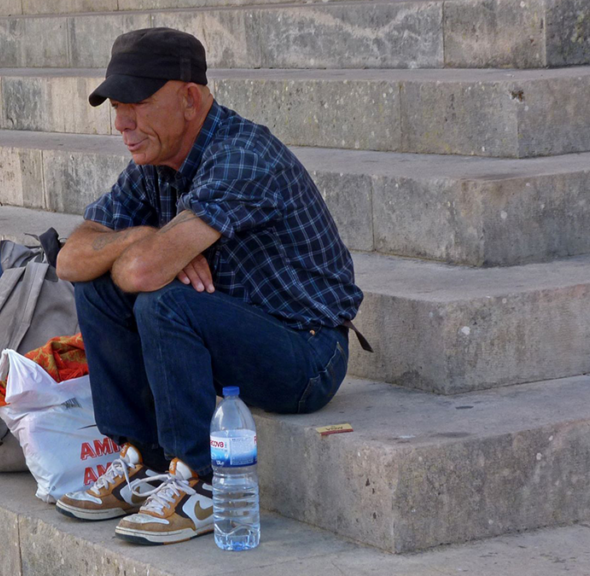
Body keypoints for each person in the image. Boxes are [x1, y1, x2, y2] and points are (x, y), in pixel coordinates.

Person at [53, 27, 367, 546]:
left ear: (190, 99)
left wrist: (148, 256)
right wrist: (149, 236)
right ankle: (139, 460)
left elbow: (139, 274)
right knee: (96, 288)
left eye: (136, 103)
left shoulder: (242, 155)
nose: (121, 123)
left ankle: (198, 480)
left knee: (161, 301)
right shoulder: (155, 162)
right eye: (116, 106)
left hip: (308, 354)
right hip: (237, 334)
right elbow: (70, 258)